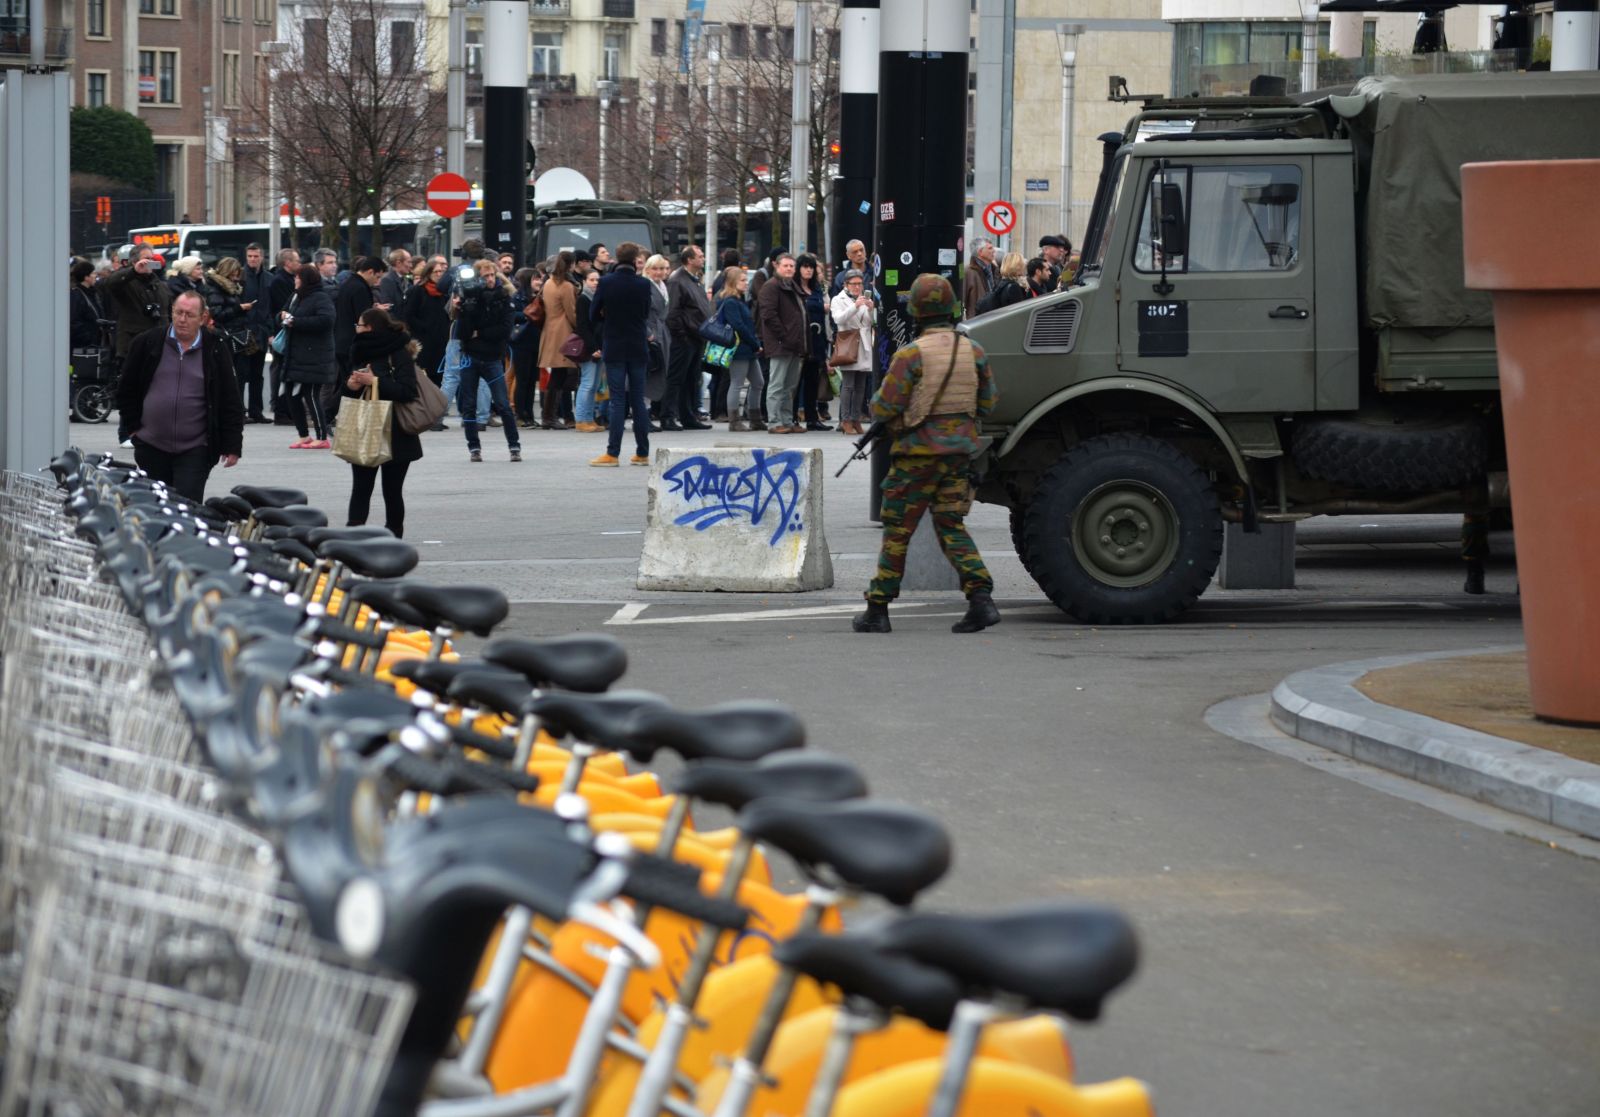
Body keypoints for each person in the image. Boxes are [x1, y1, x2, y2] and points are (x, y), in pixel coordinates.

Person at [853, 274, 999, 636]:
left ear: (916, 311)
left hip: (916, 457)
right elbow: (989, 403)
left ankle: (878, 608)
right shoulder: (973, 350)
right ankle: (981, 598)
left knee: (898, 530)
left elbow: (883, 406)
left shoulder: (911, 354)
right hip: (959, 457)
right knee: (951, 525)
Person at [115, 288, 244, 502]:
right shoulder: (147, 342)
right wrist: (133, 429)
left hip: (196, 448)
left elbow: (230, 399)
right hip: (151, 445)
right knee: (155, 508)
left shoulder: (216, 348)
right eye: (178, 312)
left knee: (187, 508)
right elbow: (126, 389)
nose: (182, 319)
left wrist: (232, 445)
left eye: (189, 315)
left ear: (203, 318)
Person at [343, 307, 423, 537]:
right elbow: (346, 391)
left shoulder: (399, 351)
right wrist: (351, 386)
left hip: (396, 431)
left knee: (392, 490)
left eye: (359, 325)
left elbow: (407, 391)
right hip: (366, 428)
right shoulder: (358, 351)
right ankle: (352, 538)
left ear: (370, 328)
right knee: (361, 488)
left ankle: (394, 537)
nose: (356, 329)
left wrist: (375, 381)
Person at [588, 241, 654, 467]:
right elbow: (645, 313)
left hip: (614, 345)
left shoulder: (606, 282)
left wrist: (608, 320)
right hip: (637, 345)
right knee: (638, 399)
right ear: (636, 259)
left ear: (617, 257)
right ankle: (642, 452)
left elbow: (593, 313)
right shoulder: (644, 284)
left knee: (617, 400)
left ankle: (612, 453)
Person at [452, 257, 521, 462]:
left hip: (492, 358)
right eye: (485, 276)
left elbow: (504, 330)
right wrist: (462, 309)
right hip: (470, 357)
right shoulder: (470, 298)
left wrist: (479, 332)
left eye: (492, 275)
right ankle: (474, 447)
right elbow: (462, 333)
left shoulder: (504, 297)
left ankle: (514, 446)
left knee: (503, 404)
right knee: (469, 405)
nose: (490, 279)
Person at [278, 263, 337, 449]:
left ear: (306, 280)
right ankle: (303, 434)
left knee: (310, 393)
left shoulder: (320, 297)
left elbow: (326, 320)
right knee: (290, 394)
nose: (295, 280)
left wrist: (296, 322)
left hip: (314, 355)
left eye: (298, 277)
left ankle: (321, 436)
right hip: (296, 355)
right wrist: (283, 317)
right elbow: (281, 314)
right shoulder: (296, 296)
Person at [755, 253, 807, 434]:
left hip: (793, 344)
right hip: (780, 344)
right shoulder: (771, 287)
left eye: (792, 266)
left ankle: (787, 420)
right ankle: (774, 422)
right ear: (777, 266)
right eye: (786, 266)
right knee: (777, 385)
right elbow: (768, 316)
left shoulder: (792, 286)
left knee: (789, 386)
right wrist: (785, 336)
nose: (789, 269)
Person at [664, 246, 714, 430]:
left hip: (696, 337)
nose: (703, 259)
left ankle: (688, 416)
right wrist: (681, 335)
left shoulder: (694, 279)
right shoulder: (678, 281)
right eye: (700, 256)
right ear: (689, 260)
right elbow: (673, 312)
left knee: (691, 378)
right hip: (683, 338)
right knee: (676, 377)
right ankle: (668, 415)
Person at [332, 256, 385, 424]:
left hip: (341, 341)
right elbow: (364, 319)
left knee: (347, 382)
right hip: (353, 344)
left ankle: (331, 416)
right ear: (370, 272)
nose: (377, 281)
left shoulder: (348, 284)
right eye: (377, 277)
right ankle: (328, 416)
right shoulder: (361, 288)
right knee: (353, 383)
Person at [100, 243, 172, 358]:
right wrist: (134, 271)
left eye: (151, 259)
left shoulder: (160, 285)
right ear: (134, 262)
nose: (150, 262)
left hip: (159, 345)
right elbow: (110, 283)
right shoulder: (126, 283)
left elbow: (169, 313)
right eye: (146, 259)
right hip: (134, 347)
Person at [716, 266, 764, 432]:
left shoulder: (739, 300)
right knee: (736, 383)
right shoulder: (730, 301)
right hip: (739, 348)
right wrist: (755, 343)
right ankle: (734, 420)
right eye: (742, 280)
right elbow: (738, 326)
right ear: (732, 282)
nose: (746, 283)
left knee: (758, 382)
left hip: (747, 347)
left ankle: (755, 418)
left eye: (746, 280)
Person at [830, 268, 876, 436]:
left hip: (863, 345)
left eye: (860, 284)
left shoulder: (863, 299)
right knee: (848, 385)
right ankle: (846, 420)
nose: (857, 287)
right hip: (848, 344)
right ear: (846, 285)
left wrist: (870, 309)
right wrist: (856, 307)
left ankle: (856, 418)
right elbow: (838, 319)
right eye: (854, 284)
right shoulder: (838, 299)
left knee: (860, 386)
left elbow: (870, 323)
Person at [537, 250, 580, 430]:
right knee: (559, 375)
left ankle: (549, 415)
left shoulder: (548, 283)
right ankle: (550, 416)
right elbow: (571, 312)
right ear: (571, 265)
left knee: (556, 374)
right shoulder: (567, 286)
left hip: (550, 329)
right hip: (563, 331)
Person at [792, 255, 832, 431]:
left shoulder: (816, 289)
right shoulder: (793, 288)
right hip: (800, 339)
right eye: (805, 266)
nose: (808, 270)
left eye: (811, 267)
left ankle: (812, 418)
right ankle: (792, 417)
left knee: (813, 380)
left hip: (817, 338)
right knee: (795, 381)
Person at [238, 243, 273, 422]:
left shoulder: (268, 278)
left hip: (261, 331)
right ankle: (240, 411)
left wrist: (269, 328)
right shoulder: (240, 277)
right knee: (242, 373)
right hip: (244, 331)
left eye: (256, 256)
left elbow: (271, 306)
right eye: (250, 256)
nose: (253, 259)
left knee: (257, 375)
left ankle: (256, 411)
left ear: (262, 257)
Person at [202, 257, 252, 367]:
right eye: (232, 275)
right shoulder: (216, 288)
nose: (235, 278)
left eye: (236, 275)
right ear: (226, 272)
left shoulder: (232, 288)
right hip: (226, 337)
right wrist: (239, 308)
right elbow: (218, 314)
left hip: (235, 335)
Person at [509, 267, 543, 425]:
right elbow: (511, 316)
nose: (539, 282)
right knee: (522, 380)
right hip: (521, 343)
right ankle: (520, 415)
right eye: (535, 279)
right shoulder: (517, 298)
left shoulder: (539, 298)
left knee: (531, 381)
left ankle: (529, 414)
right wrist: (528, 314)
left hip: (536, 342)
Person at [572, 268, 605, 432]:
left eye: (597, 280)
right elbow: (583, 327)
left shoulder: (599, 299)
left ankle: (589, 418)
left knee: (594, 385)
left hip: (599, 346)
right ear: (584, 281)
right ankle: (581, 419)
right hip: (589, 348)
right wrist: (593, 348)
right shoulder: (583, 299)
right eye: (592, 280)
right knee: (587, 383)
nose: (595, 283)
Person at [643, 254, 672, 415]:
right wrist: (648, 333)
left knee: (658, 372)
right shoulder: (646, 286)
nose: (659, 272)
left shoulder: (662, 286)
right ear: (647, 270)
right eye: (655, 268)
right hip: (651, 332)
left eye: (661, 268)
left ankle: (649, 411)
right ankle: (643, 415)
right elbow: (642, 313)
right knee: (650, 373)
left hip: (661, 331)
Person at [69, 258, 105, 350]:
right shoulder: (76, 295)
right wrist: (89, 338)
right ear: (86, 277)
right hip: (84, 346)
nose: (95, 275)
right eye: (93, 273)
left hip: (95, 343)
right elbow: (74, 321)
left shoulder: (93, 293)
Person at [961, 238, 997, 318]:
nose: (994, 251)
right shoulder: (968, 272)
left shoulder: (995, 271)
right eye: (990, 248)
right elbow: (961, 301)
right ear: (980, 252)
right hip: (977, 323)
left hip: (993, 321)